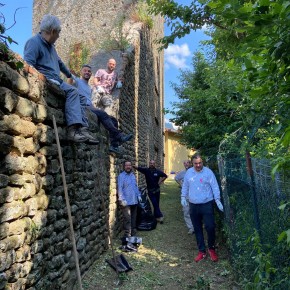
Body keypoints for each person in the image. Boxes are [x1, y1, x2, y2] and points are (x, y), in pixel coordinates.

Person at [23, 14, 98, 145]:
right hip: (48, 80)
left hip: (58, 80)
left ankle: (84, 130)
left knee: (82, 97)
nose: (58, 36)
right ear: (52, 31)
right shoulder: (34, 42)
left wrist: (69, 75)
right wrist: (41, 78)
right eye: (58, 32)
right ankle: (73, 131)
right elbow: (28, 64)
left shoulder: (52, 47)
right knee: (73, 92)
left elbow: (60, 63)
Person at [68, 64, 133, 154]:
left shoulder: (89, 88)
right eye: (85, 71)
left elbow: (89, 100)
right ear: (81, 72)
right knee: (103, 113)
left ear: (91, 74)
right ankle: (119, 135)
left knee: (113, 120)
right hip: (83, 106)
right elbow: (69, 83)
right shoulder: (77, 81)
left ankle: (114, 146)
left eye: (89, 71)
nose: (87, 72)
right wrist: (70, 75)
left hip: (90, 106)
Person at [181, 152, 224, 263]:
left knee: (210, 227)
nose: (198, 165)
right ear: (192, 163)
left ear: (202, 162)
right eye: (196, 163)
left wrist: (217, 199)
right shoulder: (189, 173)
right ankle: (202, 251)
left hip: (207, 204)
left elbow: (214, 186)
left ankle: (211, 248)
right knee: (197, 228)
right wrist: (183, 197)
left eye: (200, 163)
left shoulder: (208, 173)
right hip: (193, 205)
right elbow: (185, 186)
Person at [118, 161, 142, 238]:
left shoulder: (132, 175)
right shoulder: (121, 176)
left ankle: (133, 234)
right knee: (127, 219)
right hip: (126, 202)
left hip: (134, 200)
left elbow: (135, 187)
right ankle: (127, 235)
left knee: (134, 218)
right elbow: (120, 188)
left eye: (129, 165)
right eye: (126, 165)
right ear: (124, 167)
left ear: (131, 166)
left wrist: (139, 195)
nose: (128, 167)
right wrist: (121, 199)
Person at [175, 160, 195, 234]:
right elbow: (176, 178)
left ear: (190, 164)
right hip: (185, 196)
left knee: (194, 212)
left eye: (187, 163)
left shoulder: (194, 171)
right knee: (186, 212)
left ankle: (197, 226)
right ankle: (191, 228)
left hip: (194, 195)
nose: (186, 164)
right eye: (184, 163)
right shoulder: (182, 173)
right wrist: (181, 184)